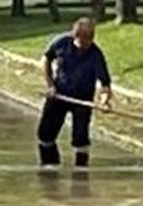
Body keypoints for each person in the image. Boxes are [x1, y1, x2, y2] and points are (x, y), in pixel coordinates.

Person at [39, 17, 113, 167]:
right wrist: (50, 85)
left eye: (88, 41)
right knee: (45, 133)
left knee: (80, 137)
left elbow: (105, 84)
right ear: (75, 36)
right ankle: (50, 166)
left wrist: (105, 101)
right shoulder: (61, 43)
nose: (84, 46)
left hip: (82, 98)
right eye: (81, 42)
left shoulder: (95, 54)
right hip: (59, 94)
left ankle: (81, 172)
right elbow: (46, 59)